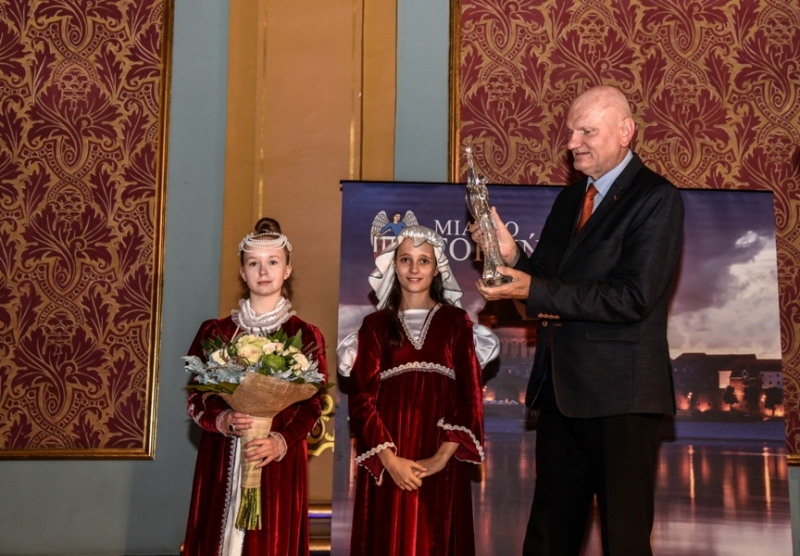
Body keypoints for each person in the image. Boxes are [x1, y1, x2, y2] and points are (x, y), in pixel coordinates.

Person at [470, 85, 684, 555]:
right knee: (547, 539)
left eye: (587, 131)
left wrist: (532, 287)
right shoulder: (570, 200)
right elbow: (544, 285)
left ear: (625, 133)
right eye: (570, 131)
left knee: (624, 541)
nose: (572, 143)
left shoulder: (657, 198)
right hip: (560, 393)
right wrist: (511, 256)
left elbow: (632, 297)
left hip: (622, 399)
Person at [339, 225, 499, 556]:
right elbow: (362, 398)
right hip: (389, 451)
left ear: (437, 267)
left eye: (424, 260)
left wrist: (440, 458)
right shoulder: (375, 325)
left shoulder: (456, 322)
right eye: (406, 259)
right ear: (393, 265)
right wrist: (389, 459)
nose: (414, 269)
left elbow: (469, 396)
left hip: (441, 452)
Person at [182, 218, 327, 556]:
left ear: (287, 270)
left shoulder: (306, 335)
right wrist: (221, 420)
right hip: (222, 457)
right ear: (242, 272)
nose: (263, 271)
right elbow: (196, 397)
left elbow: (312, 404)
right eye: (253, 263)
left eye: (273, 262)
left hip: (276, 462)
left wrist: (281, 441)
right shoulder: (215, 332)